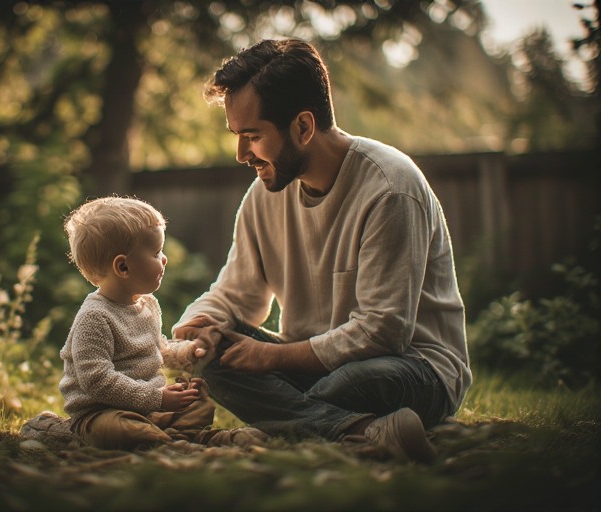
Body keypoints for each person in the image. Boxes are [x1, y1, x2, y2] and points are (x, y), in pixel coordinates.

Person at [173, 39, 472, 464]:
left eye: (252, 136)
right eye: (237, 137)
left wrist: (272, 357)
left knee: (349, 384)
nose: (242, 155)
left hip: (411, 368)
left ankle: (297, 419)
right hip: (312, 364)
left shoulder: (390, 188)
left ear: (303, 128)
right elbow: (237, 294)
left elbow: (383, 332)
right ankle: (363, 430)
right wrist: (198, 327)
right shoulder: (264, 193)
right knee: (217, 355)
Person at [59, 196, 266, 450]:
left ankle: (180, 439)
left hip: (149, 408)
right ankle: (183, 443)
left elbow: (159, 349)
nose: (164, 259)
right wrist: (156, 398)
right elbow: (97, 380)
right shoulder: (94, 317)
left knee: (198, 401)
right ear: (123, 266)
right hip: (102, 413)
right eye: (156, 252)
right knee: (122, 430)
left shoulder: (148, 305)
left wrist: (188, 352)